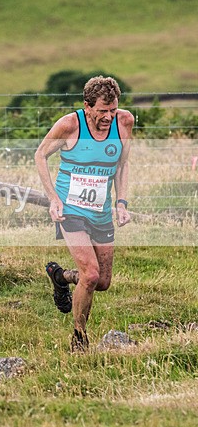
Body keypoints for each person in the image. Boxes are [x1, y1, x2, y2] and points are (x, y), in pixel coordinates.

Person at [35, 76, 133, 352]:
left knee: (101, 282)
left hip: (100, 211)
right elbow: (40, 155)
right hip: (71, 208)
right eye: (102, 111)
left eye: (112, 110)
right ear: (87, 106)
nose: (108, 117)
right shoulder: (70, 124)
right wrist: (53, 199)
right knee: (90, 274)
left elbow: (122, 166)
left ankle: (61, 278)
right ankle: (79, 337)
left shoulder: (124, 122)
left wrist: (121, 202)